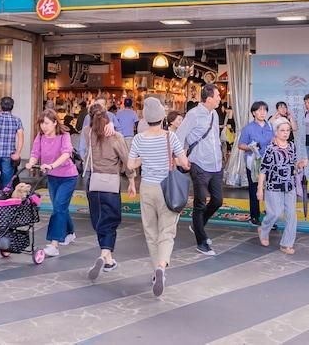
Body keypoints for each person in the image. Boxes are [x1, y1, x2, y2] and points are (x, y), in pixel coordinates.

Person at [128, 96, 190, 297]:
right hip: (167, 188)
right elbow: (183, 162)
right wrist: (179, 161)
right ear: (163, 117)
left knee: (150, 231)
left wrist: (143, 160)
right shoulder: (170, 137)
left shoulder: (138, 139)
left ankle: (156, 270)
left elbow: (130, 165)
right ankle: (161, 268)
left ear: (145, 118)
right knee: (167, 231)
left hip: (147, 187)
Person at [83, 107, 136, 278]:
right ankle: (104, 253)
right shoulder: (116, 137)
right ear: (108, 118)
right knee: (111, 221)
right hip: (111, 185)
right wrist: (132, 180)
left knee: (99, 221)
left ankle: (108, 261)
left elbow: (92, 125)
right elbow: (127, 161)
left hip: (93, 183)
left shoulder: (87, 133)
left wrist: (108, 122)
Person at [177, 83, 224, 256]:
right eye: (218, 95)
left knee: (218, 200)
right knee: (200, 203)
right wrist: (181, 159)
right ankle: (201, 241)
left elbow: (214, 139)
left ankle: (198, 225)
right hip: (199, 164)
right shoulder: (193, 115)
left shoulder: (215, 114)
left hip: (216, 165)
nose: (220, 98)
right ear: (209, 98)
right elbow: (179, 137)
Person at [26, 110, 78, 258]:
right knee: (59, 207)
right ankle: (70, 233)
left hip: (68, 177)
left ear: (55, 123)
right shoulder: (40, 136)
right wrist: (31, 163)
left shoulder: (64, 136)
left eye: (47, 123)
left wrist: (52, 165)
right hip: (53, 178)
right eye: (42, 123)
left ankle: (54, 245)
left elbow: (66, 153)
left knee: (58, 208)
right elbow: (35, 153)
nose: (43, 126)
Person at [257, 120, 307, 254]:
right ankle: (264, 229)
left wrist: (299, 164)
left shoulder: (292, 146)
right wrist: (259, 189)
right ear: (276, 131)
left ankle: (286, 244)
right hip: (273, 186)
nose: (285, 133)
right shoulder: (270, 148)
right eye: (282, 130)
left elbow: (293, 164)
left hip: (289, 185)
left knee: (292, 215)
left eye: (287, 130)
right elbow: (263, 170)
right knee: (275, 213)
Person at [238, 101, 274, 226]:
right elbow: (240, 145)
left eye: (265, 110)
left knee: (270, 190)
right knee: (254, 189)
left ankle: (270, 217)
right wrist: (251, 147)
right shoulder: (248, 128)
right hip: (253, 163)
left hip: (269, 162)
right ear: (253, 113)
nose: (262, 112)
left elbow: (275, 141)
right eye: (259, 110)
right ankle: (254, 216)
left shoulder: (270, 126)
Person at [0, 96, 24, 189]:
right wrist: (17, 153)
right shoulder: (16, 120)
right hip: (9, 155)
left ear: (0, 106)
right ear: (12, 107)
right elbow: (21, 138)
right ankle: (5, 200)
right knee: (7, 182)